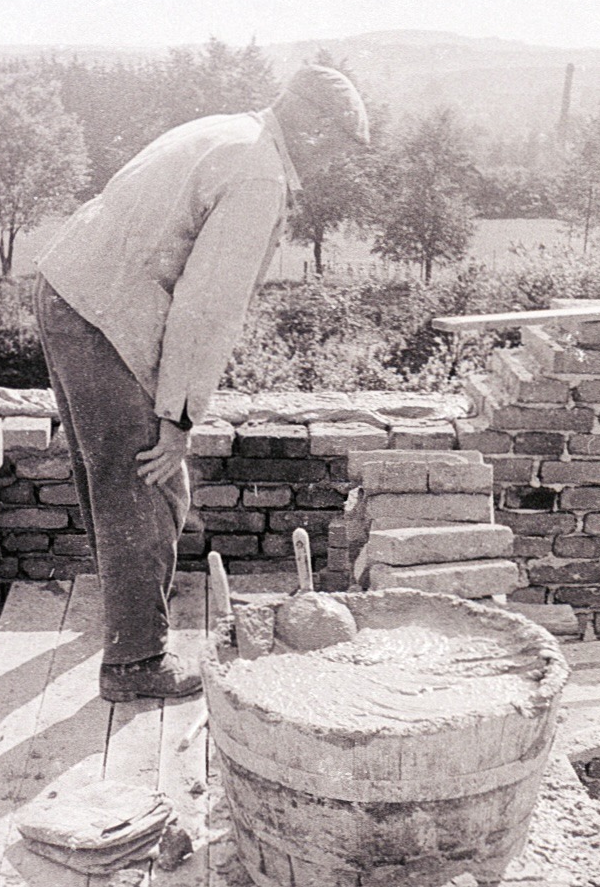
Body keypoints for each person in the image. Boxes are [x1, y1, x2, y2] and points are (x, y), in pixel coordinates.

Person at [34, 63, 370, 702]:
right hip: (107, 315)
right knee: (150, 485)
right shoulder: (260, 176)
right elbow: (207, 305)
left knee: (109, 480)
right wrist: (178, 419)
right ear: (317, 129)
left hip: (69, 284)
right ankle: (134, 663)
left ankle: (126, 621)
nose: (336, 165)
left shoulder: (233, 129)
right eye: (339, 148)